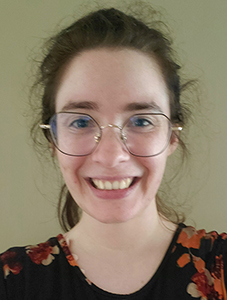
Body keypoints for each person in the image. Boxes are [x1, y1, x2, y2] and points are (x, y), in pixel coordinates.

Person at [0, 5, 226, 300]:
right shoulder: (11, 283)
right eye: (80, 121)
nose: (110, 156)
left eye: (142, 121)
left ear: (173, 136)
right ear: (52, 140)